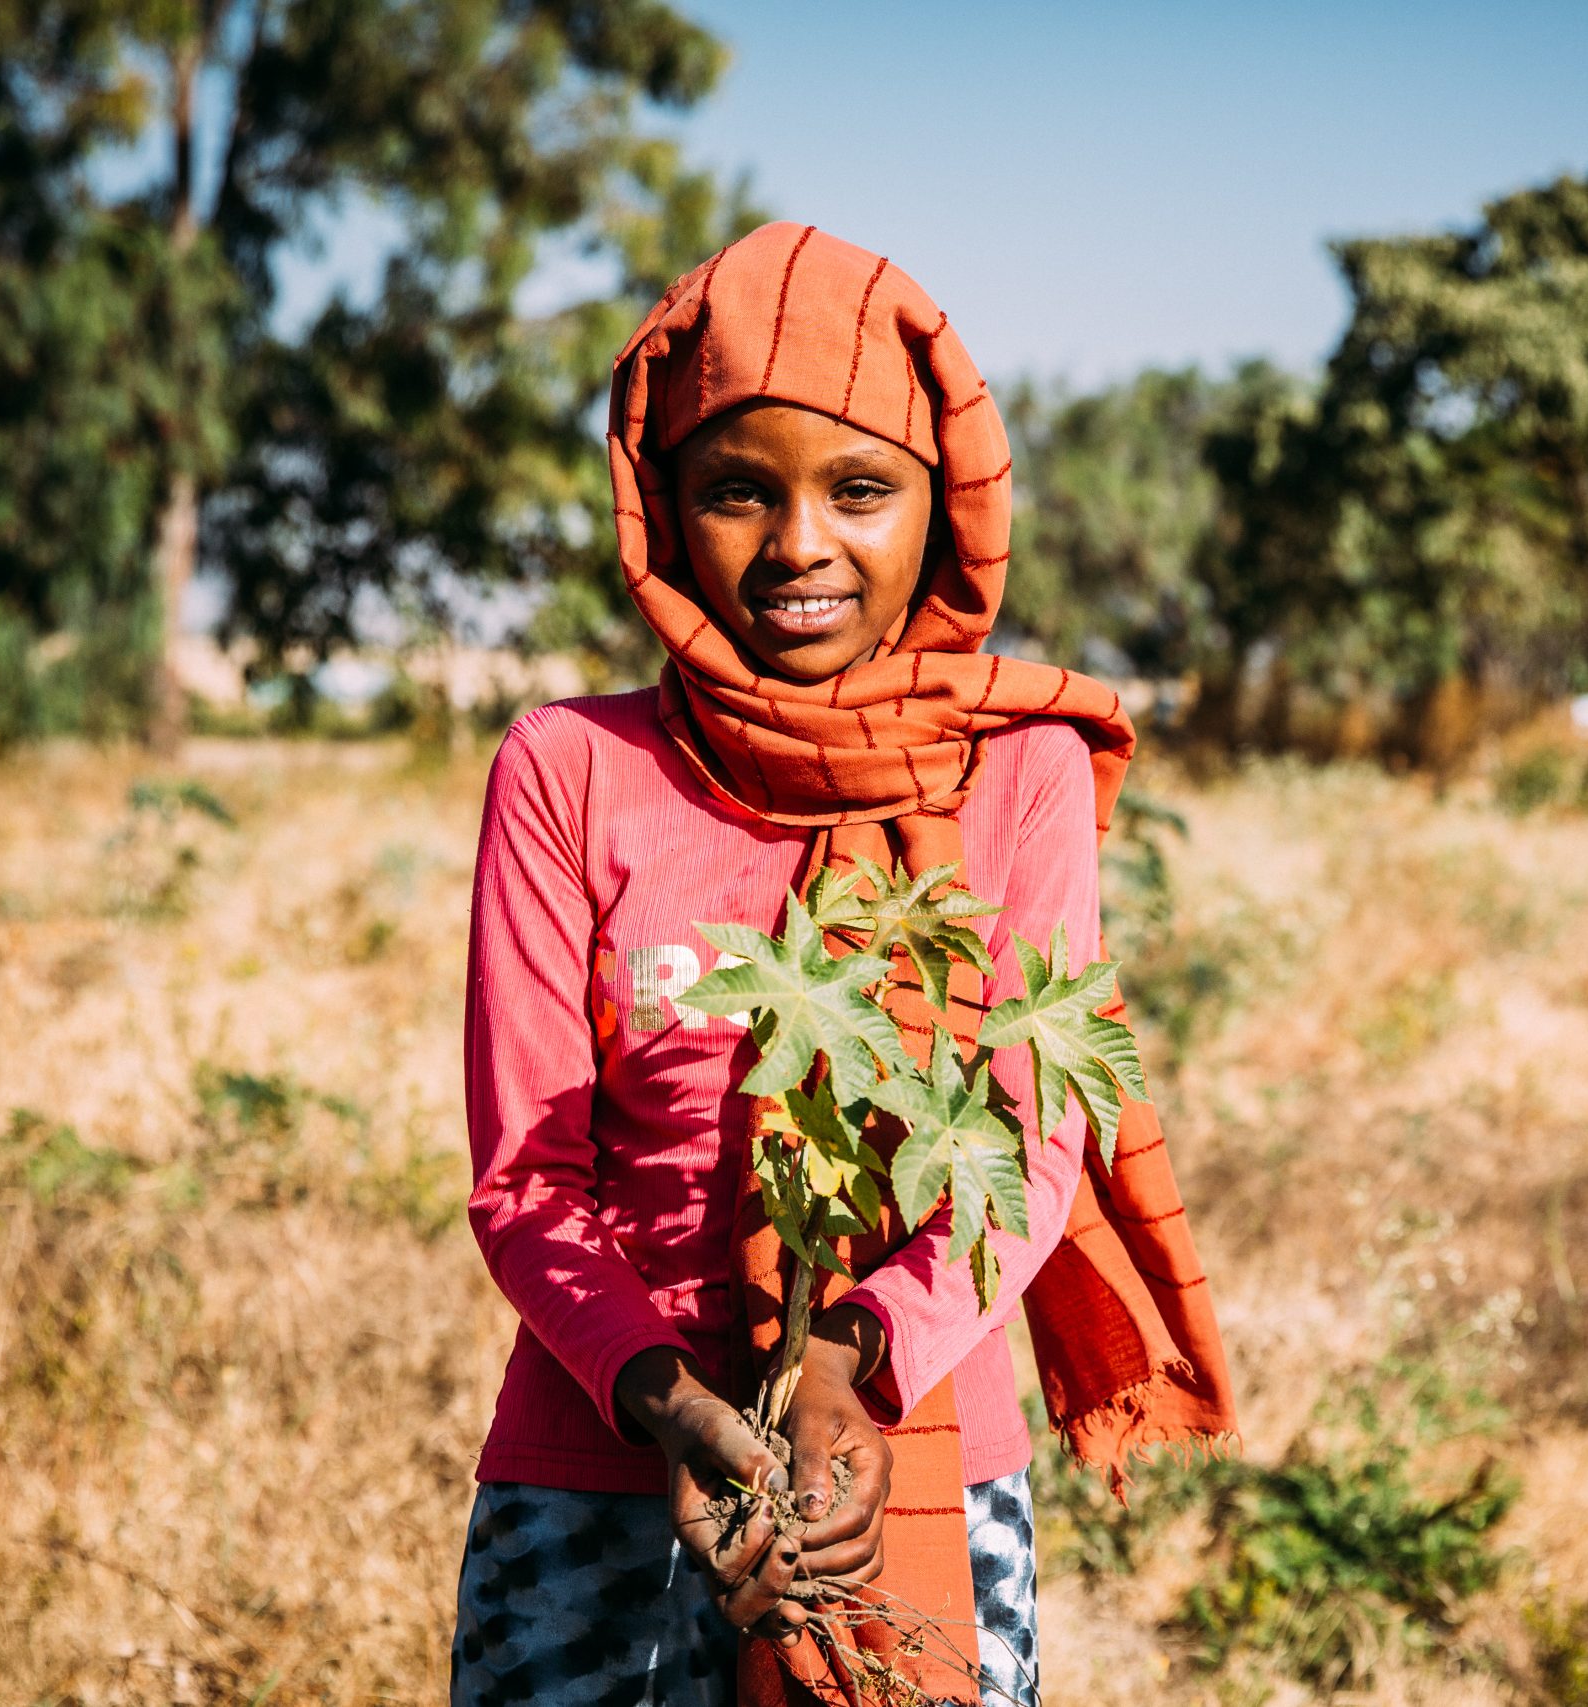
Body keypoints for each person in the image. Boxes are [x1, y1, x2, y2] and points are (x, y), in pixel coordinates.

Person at [452, 222, 1234, 1707]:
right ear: (665, 514)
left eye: (858, 490)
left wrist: (843, 1376)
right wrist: (676, 1406)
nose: (801, 544)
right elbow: (525, 1182)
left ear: (941, 514)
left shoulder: (1021, 774)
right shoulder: (568, 768)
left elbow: (1029, 1143)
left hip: (906, 1444)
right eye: (738, 491)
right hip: (596, 1474)